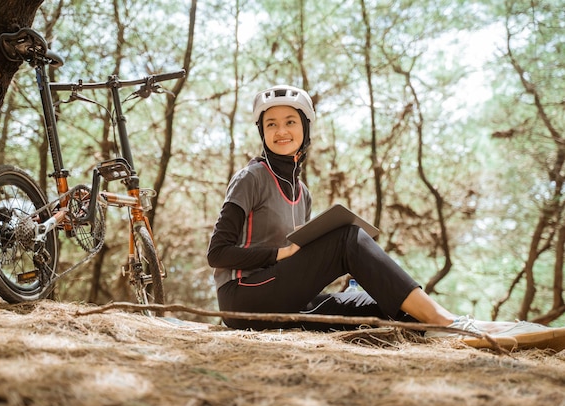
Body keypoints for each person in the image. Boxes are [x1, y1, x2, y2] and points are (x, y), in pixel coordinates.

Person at [206, 84, 555, 341]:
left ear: (305, 128)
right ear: (262, 132)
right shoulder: (251, 178)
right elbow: (217, 253)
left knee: (376, 305)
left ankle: (473, 331)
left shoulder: (303, 193)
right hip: (243, 295)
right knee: (345, 238)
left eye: (290, 122)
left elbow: (298, 264)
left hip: (280, 295)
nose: (281, 131)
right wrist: (282, 253)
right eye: (271, 124)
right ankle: (448, 322)